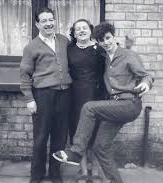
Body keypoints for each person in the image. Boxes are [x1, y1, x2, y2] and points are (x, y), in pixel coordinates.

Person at [53, 22, 154, 183]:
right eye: (101, 40)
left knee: (88, 108)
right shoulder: (104, 57)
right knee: (100, 147)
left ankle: (77, 151)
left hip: (129, 104)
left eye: (108, 38)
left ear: (113, 37)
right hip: (113, 107)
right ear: (98, 43)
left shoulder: (128, 56)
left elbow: (146, 75)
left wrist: (145, 84)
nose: (106, 42)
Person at [20, 8, 72, 183]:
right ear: (37, 24)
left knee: (60, 137)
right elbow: (24, 75)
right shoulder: (31, 47)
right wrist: (29, 99)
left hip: (64, 95)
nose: (49, 23)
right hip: (43, 96)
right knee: (41, 137)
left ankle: (55, 173)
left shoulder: (64, 41)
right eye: (44, 21)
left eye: (51, 19)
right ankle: (37, 175)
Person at [67, 19, 105, 182]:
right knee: (78, 130)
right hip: (75, 95)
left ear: (91, 31)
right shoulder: (69, 50)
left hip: (96, 93)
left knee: (96, 131)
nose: (81, 31)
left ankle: (95, 170)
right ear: (74, 34)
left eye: (84, 28)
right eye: (78, 29)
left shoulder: (100, 49)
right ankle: (82, 170)